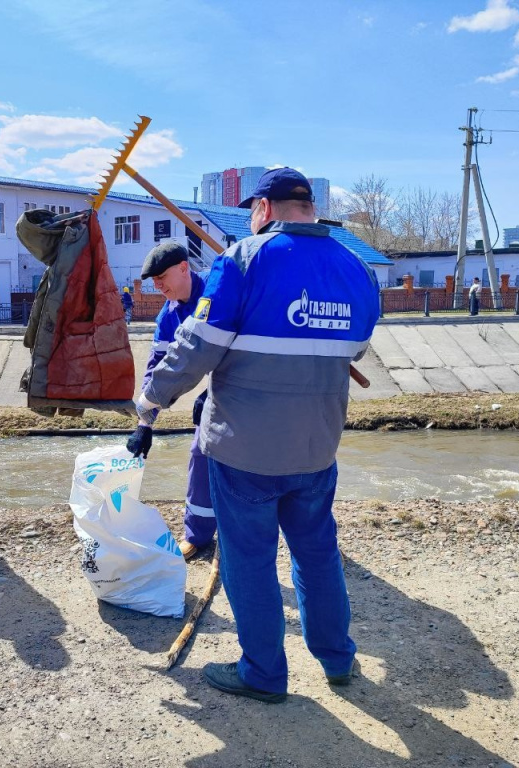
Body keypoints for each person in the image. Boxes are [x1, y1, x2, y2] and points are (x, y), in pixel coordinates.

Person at [126, 167, 380, 703]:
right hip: (317, 448)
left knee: (250, 560)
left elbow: (197, 346)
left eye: (250, 212)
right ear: (309, 207)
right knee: (317, 553)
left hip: (244, 450)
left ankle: (263, 674)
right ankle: (338, 661)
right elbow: (354, 350)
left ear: (262, 209)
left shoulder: (243, 258)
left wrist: (150, 400)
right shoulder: (357, 269)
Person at [136, 242, 212, 560]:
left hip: (250, 374)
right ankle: (199, 534)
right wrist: (144, 423)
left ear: (184, 268)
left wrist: (212, 393)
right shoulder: (168, 315)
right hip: (218, 379)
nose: (158, 287)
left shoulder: (218, 288)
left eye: (162, 277)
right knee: (201, 452)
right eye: (154, 282)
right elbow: (157, 366)